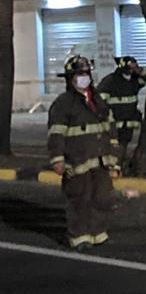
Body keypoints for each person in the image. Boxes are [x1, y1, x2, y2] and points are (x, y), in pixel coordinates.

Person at [47, 55, 122, 250]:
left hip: (101, 161)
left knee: (102, 198)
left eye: (86, 73)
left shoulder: (98, 101)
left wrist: (114, 159)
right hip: (76, 162)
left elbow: (111, 130)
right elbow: (56, 134)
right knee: (79, 200)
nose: (83, 78)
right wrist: (57, 159)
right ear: (70, 78)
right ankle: (79, 237)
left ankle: (98, 233)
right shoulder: (63, 104)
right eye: (79, 74)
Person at [97, 55, 146, 167]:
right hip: (113, 121)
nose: (132, 70)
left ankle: (118, 166)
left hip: (128, 121)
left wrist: (139, 70)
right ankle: (110, 167)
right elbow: (99, 100)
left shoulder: (135, 80)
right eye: (131, 67)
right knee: (112, 146)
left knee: (123, 144)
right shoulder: (110, 81)